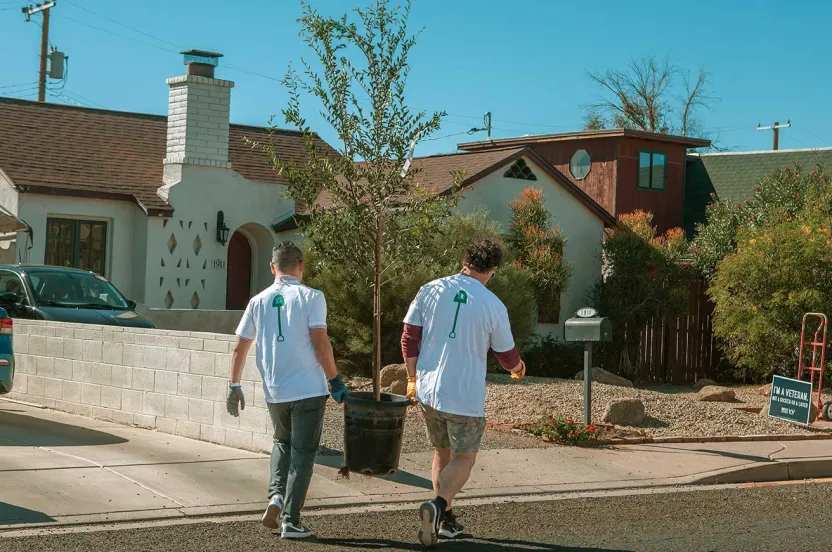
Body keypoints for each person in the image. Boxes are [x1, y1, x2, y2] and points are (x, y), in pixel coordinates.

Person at [402, 239, 526, 547]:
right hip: (464, 396)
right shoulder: (493, 305)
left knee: (441, 452)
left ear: (464, 261)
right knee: (464, 458)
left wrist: (411, 378)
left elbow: (409, 337)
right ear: (493, 270)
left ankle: (447, 522)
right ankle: (438, 506)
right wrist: (519, 368)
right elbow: (506, 354)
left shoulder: (430, 289)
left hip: (428, 391)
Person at [227, 241, 348, 540]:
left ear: (272, 267)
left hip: (275, 389)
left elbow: (240, 345)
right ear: (301, 266)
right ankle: (291, 521)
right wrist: (334, 379)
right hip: (307, 389)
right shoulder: (312, 297)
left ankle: (275, 498)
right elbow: (321, 343)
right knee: (303, 453)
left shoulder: (258, 301)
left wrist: (235, 385)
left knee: (281, 442)